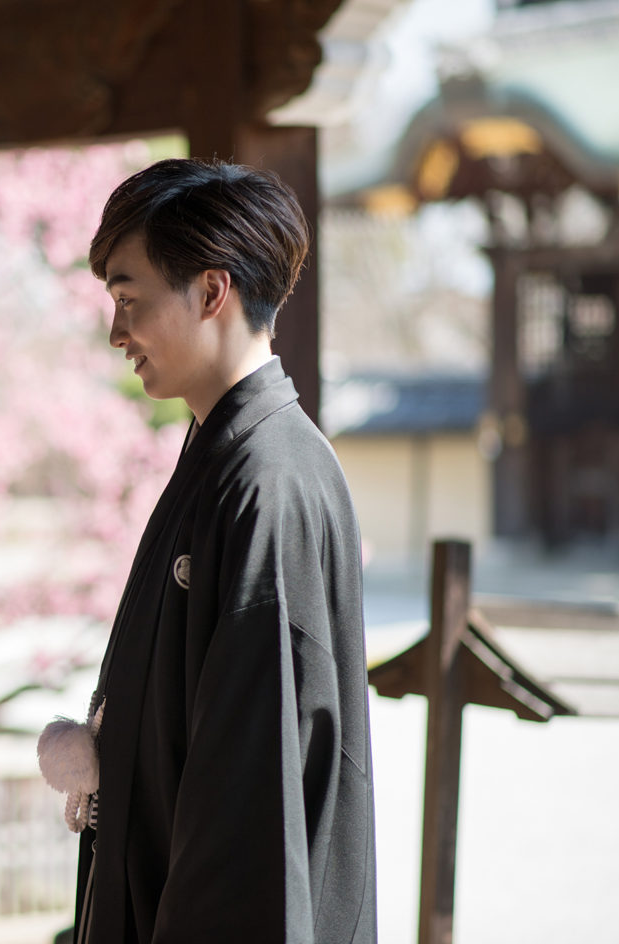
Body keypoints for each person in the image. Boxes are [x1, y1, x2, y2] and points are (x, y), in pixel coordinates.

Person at [62, 159, 377, 943]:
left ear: (210, 292)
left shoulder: (267, 479)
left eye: (129, 300)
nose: (116, 333)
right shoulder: (227, 460)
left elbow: (249, 806)